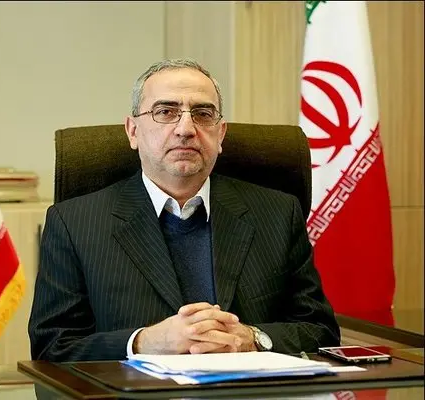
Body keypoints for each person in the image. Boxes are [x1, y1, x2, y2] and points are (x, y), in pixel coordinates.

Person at [28, 58, 340, 362]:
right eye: (166, 112)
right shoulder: (74, 223)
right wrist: (143, 342)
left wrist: (253, 338)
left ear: (220, 134)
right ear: (133, 131)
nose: (186, 129)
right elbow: (52, 347)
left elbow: (321, 332)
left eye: (203, 114)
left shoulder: (277, 214)